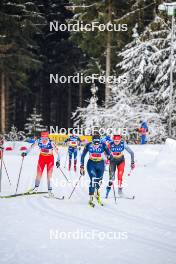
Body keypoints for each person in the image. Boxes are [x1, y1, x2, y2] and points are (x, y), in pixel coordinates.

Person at [21, 131, 60, 196]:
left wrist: (58, 161)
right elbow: (31, 147)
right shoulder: (38, 141)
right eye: (42, 137)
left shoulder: (51, 142)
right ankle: (36, 188)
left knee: (49, 175)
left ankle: (50, 190)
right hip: (42, 158)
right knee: (39, 173)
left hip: (50, 159)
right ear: (41, 137)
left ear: (48, 137)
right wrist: (26, 153)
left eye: (45, 138)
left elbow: (58, 152)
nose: (44, 139)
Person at [80, 134, 111, 207]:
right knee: (93, 179)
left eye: (98, 144)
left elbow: (109, 153)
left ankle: (97, 192)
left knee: (99, 181)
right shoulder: (88, 145)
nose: (96, 145)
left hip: (100, 164)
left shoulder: (103, 145)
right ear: (92, 141)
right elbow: (83, 155)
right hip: (91, 164)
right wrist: (82, 166)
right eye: (94, 144)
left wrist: (110, 158)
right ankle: (91, 198)